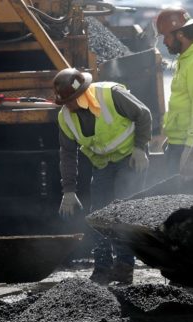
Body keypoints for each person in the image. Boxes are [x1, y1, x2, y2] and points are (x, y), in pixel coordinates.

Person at [53, 68, 152, 285]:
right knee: (98, 215)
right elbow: (68, 154)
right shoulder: (65, 118)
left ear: (83, 94)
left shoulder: (111, 94)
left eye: (71, 100)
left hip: (130, 159)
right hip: (103, 165)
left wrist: (140, 148)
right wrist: (68, 191)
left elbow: (143, 114)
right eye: (65, 102)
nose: (68, 106)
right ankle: (102, 268)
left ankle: (125, 268)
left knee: (123, 212)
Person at [151, 7, 193, 178]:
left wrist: (191, 150)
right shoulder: (187, 59)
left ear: (179, 34)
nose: (165, 42)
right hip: (178, 143)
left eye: (166, 36)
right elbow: (181, 104)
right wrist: (171, 137)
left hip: (188, 146)